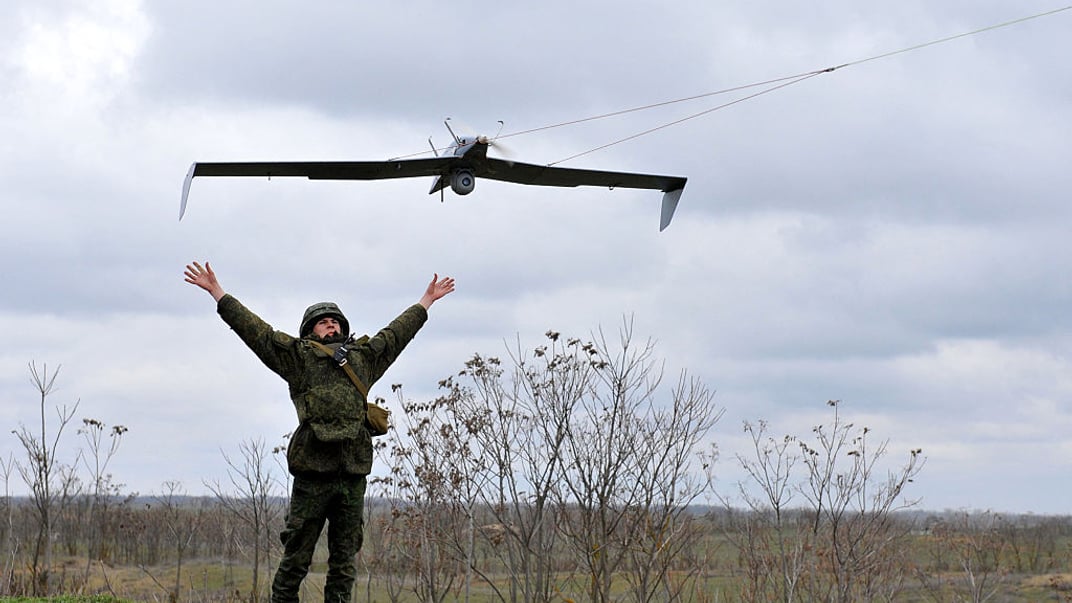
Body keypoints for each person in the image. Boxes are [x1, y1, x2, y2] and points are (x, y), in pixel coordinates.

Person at [184, 260, 455, 603]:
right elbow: (258, 332)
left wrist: (426, 301)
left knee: (344, 561)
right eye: (322, 323)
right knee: (296, 555)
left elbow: (395, 335)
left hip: (352, 473)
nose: (330, 326)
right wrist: (218, 294)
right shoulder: (298, 358)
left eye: (334, 322)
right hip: (313, 473)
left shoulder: (363, 358)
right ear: (310, 331)